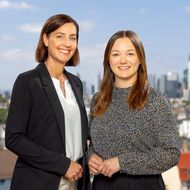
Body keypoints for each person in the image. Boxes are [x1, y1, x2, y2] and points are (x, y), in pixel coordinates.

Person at [87, 30, 181, 190]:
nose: (123, 60)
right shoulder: (98, 99)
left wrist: (121, 163)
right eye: (116, 54)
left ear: (140, 59)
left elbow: (171, 153)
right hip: (102, 185)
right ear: (108, 60)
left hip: (142, 186)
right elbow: (92, 144)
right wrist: (91, 158)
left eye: (130, 54)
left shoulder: (155, 100)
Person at [5, 14, 90, 190]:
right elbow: (14, 138)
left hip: (76, 181)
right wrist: (63, 164)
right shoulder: (28, 81)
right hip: (39, 181)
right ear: (45, 39)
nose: (67, 43)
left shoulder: (76, 83)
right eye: (60, 36)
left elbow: (78, 135)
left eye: (72, 38)